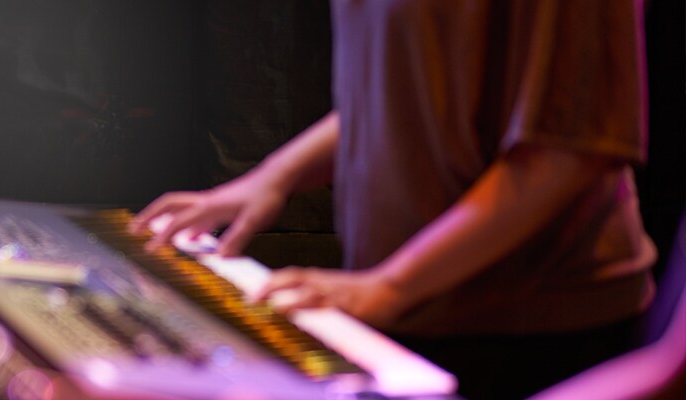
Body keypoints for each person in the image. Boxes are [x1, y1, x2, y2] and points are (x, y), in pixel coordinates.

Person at [127, 1, 657, 399]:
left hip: (530, 332)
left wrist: (390, 286)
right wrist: (273, 177)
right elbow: (403, 96)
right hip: (416, 303)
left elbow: (567, 153)